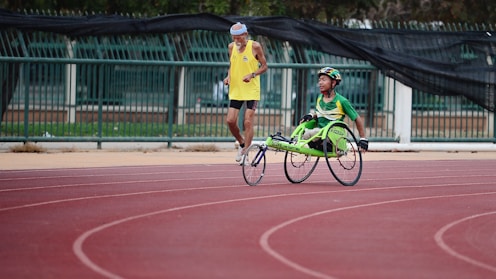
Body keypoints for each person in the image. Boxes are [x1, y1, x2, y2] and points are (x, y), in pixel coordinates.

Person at [224, 22, 268, 163]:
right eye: (234, 37)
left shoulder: (255, 46)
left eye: (239, 37)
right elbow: (232, 64)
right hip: (236, 89)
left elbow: (265, 66)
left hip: (251, 90)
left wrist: (252, 75)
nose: (236, 41)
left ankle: (246, 153)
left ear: (245, 35)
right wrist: (229, 76)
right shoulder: (231, 47)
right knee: (230, 121)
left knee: (248, 121)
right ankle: (242, 143)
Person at [300, 67, 369, 151]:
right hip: (320, 133)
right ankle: (318, 145)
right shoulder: (319, 98)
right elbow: (320, 113)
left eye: (323, 80)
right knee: (304, 133)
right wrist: (311, 115)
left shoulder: (342, 101)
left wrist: (363, 138)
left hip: (334, 135)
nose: (320, 83)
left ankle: (325, 145)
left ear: (333, 83)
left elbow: (356, 118)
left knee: (312, 133)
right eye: (319, 80)